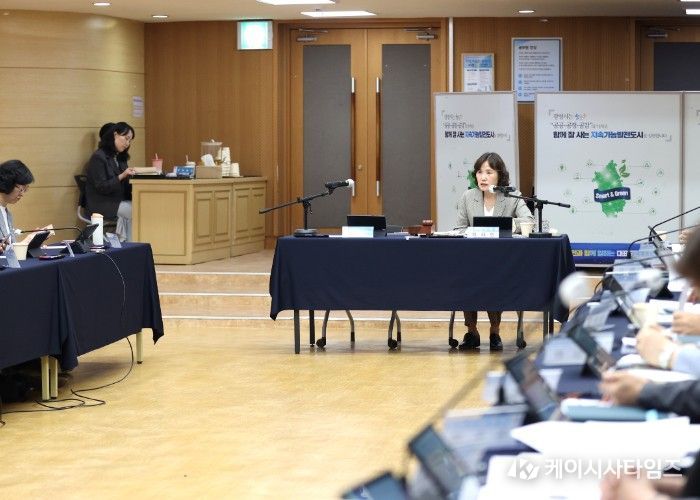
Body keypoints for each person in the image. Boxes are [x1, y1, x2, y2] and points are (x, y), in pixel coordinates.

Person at [455, 152, 534, 351]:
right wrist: (472, 232)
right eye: (479, 172)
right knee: (466, 277)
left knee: (494, 277)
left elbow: (528, 220)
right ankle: (472, 331)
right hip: (473, 259)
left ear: (500, 175)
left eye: (489, 172)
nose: (483, 177)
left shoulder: (511, 196)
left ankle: (494, 331)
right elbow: (459, 228)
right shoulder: (468, 197)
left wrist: (506, 225)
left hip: (502, 261)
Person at [85, 121, 136, 241]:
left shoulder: (120, 158)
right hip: (102, 203)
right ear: (115, 134)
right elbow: (102, 187)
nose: (127, 143)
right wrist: (122, 176)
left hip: (117, 200)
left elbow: (125, 185)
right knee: (135, 211)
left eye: (130, 140)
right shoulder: (98, 157)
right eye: (126, 138)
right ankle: (129, 244)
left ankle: (128, 243)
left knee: (141, 206)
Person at [0, 159, 35, 254]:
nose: (22, 194)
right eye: (21, 189)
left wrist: (30, 241)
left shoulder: (8, 214)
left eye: (25, 190)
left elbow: (10, 251)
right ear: (8, 183)